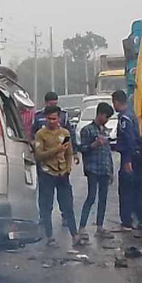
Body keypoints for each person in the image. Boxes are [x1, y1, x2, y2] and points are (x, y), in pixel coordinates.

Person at [34, 105, 78, 246]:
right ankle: (49, 236)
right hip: (47, 173)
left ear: (59, 118)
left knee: (67, 206)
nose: (52, 121)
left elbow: (68, 152)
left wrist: (68, 167)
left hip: (62, 173)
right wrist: (56, 150)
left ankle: (75, 235)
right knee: (47, 207)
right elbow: (39, 155)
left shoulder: (65, 133)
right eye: (49, 118)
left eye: (54, 118)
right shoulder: (41, 135)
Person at [112, 90, 142, 231]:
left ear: (115, 102)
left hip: (129, 158)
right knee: (139, 189)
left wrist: (127, 160)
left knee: (126, 191)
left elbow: (129, 140)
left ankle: (127, 222)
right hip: (137, 156)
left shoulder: (124, 119)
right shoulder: (132, 115)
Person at [78, 102, 114, 240]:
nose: (107, 120)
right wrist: (94, 144)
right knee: (91, 197)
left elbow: (108, 153)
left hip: (104, 169)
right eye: (106, 117)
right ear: (100, 114)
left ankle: (100, 226)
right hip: (92, 168)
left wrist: (110, 170)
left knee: (103, 199)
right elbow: (83, 148)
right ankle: (81, 227)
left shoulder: (105, 131)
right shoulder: (87, 130)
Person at [31, 92, 79, 162]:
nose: (53, 106)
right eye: (50, 104)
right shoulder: (38, 116)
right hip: (44, 154)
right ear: (45, 103)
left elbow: (70, 134)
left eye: (55, 104)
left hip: (60, 153)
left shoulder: (63, 115)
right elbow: (32, 133)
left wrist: (74, 152)